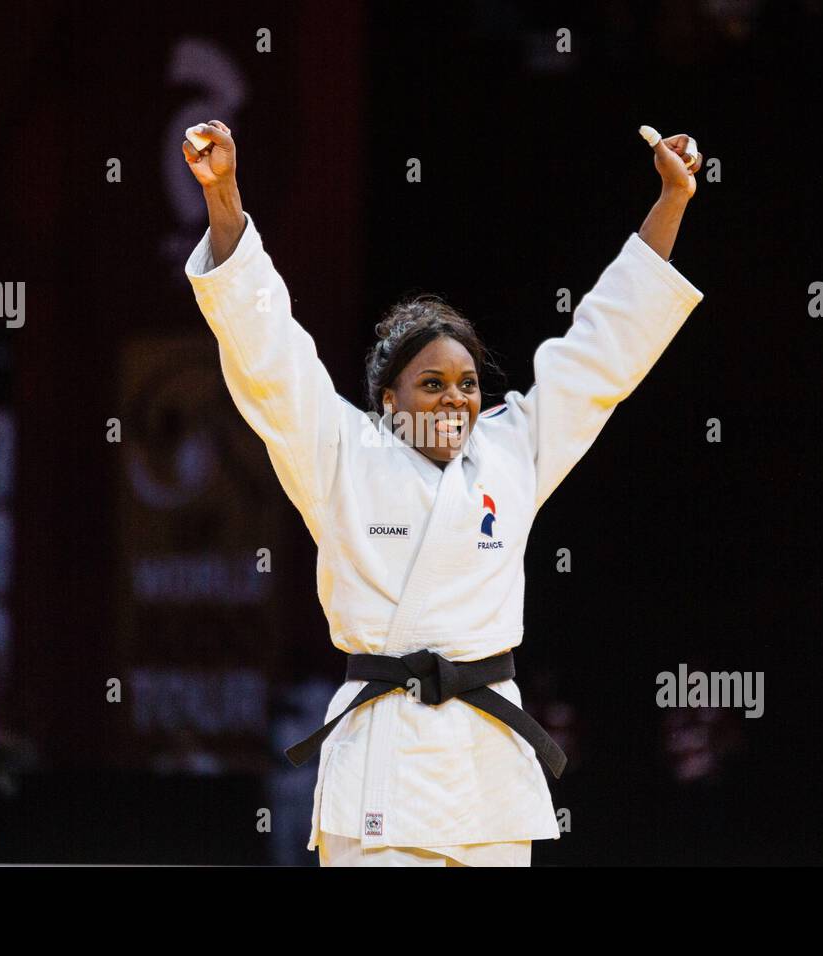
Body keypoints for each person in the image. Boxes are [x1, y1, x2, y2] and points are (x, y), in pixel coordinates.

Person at [182, 118, 704, 866]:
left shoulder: (510, 449)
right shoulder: (341, 454)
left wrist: (672, 201)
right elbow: (267, 354)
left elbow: (603, 353)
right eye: (432, 385)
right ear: (387, 400)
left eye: (466, 384)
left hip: (487, 770)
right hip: (380, 775)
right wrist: (225, 197)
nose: (456, 399)